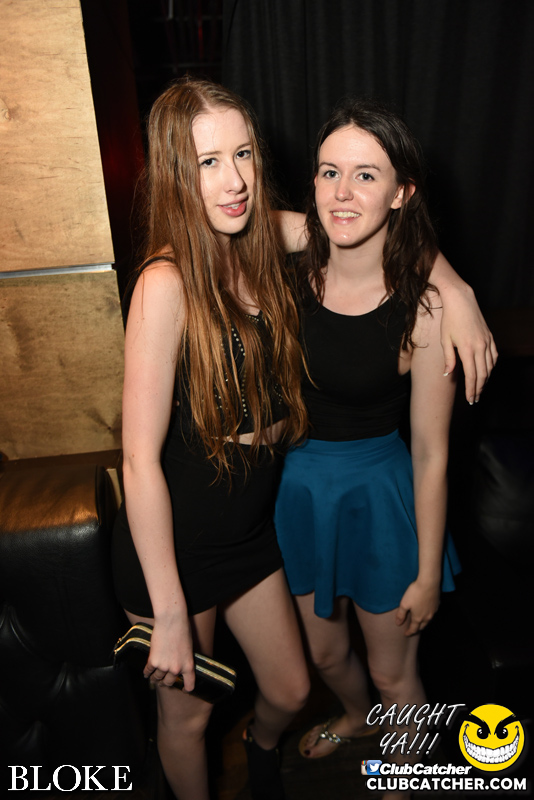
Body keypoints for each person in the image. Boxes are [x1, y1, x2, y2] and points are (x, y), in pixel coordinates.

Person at [111, 77, 311, 800]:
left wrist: (457, 292)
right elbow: (138, 460)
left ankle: (262, 750)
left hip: (247, 533)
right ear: (176, 173)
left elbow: (355, 218)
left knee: (290, 690)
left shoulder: (258, 238)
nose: (236, 181)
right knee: (188, 719)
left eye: (244, 154)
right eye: (208, 162)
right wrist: (168, 613)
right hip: (179, 545)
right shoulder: (164, 283)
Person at [273, 97, 470, 799]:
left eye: (366, 175)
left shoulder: (426, 308)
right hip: (299, 494)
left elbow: (432, 454)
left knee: (394, 672)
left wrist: (427, 573)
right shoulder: (289, 267)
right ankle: (357, 717)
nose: (342, 192)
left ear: (401, 192)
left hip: (381, 497)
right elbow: (230, 216)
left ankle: (407, 777)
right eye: (330, 172)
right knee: (326, 656)